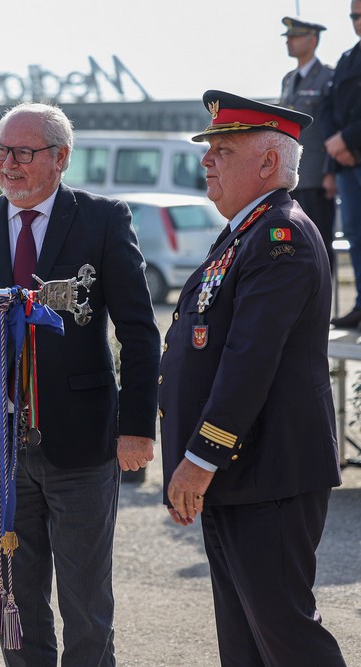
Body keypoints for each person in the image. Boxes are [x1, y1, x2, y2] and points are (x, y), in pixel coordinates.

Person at [0, 102, 160, 666]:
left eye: (22, 152)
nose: (7, 164)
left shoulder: (102, 219)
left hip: (82, 445)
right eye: (0, 150)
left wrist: (137, 430)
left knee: (86, 607)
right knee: (16, 602)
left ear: (60, 159)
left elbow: (139, 332)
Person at [160, 90, 345, 666]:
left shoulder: (278, 236)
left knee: (287, 638)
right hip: (239, 476)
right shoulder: (244, 233)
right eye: (208, 149)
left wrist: (201, 457)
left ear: (268, 163)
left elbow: (249, 360)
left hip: (266, 472)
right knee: (244, 646)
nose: (207, 160)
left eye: (224, 149)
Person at [279, 17, 337, 276]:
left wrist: (330, 171)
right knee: (292, 245)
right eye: (288, 37)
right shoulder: (289, 79)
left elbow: (331, 128)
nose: (289, 42)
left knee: (320, 244)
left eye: (295, 36)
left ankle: (323, 305)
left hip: (316, 176)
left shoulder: (327, 77)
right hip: (291, 177)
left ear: (312, 40)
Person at [325, 3, 361, 328]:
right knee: (354, 232)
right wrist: (335, 150)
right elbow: (330, 109)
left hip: (353, 151)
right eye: (353, 16)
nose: (356, 21)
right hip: (348, 165)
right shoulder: (348, 60)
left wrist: (347, 140)